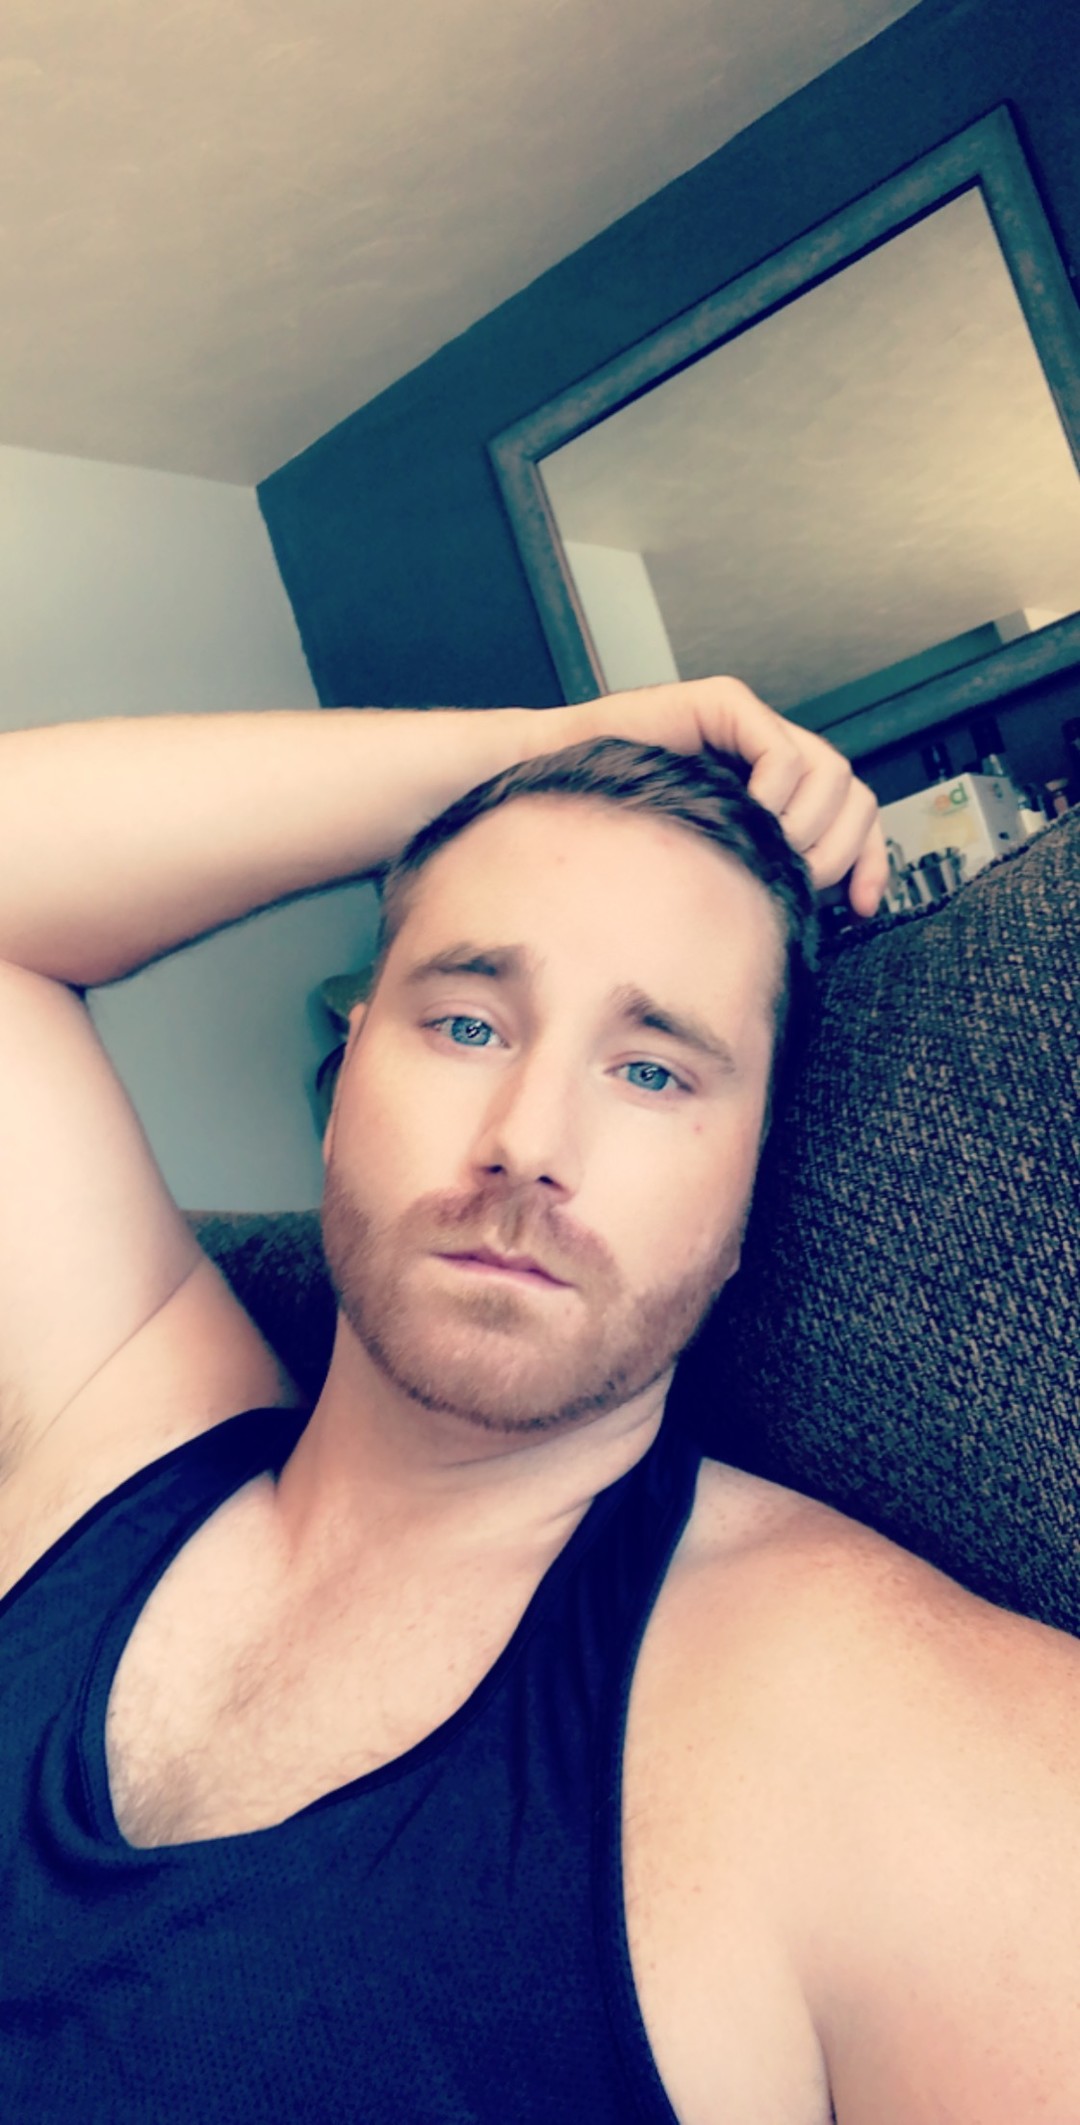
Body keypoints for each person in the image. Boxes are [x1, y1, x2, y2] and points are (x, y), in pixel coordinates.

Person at [0, 678, 1076, 2125]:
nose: (528, 1141)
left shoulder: (908, 1748)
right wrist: (526, 753)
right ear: (341, 1084)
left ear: (750, 1190)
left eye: (653, 1069)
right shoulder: (113, 1425)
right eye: (466, 1024)